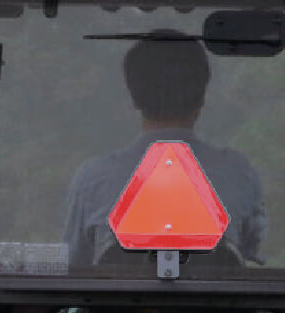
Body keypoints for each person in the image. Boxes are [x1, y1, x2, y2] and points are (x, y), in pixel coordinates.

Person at [62, 31, 267, 268]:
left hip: (116, 307)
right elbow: (250, 253)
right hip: (214, 305)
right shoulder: (238, 174)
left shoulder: (93, 178)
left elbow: (74, 266)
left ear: (134, 98)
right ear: (201, 98)